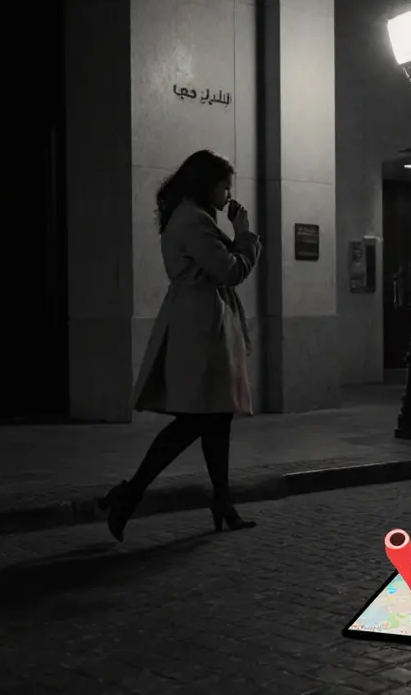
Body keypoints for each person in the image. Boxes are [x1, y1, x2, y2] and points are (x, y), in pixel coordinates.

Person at [99, 149, 262, 542]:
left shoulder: (193, 216)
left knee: (216, 416)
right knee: (196, 419)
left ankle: (221, 501)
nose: (228, 195)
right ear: (208, 184)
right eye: (225, 186)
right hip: (200, 326)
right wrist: (244, 234)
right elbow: (229, 270)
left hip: (202, 320)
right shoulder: (194, 219)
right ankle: (130, 493)